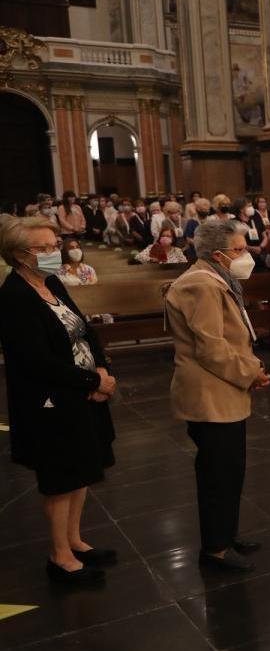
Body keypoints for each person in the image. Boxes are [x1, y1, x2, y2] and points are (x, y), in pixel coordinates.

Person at [0, 217, 118, 583]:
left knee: (80, 470)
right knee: (60, 478)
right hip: (50, 401)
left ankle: (75, 541)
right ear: (20, 255)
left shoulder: (50, 282)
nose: (56, 252)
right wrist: (90, 380)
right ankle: (60, 557)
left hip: (81, 394)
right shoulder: (14, 296)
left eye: (56, 244)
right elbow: (36, 360)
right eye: (45, 248)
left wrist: (101, 370)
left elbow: (82, 329)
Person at [165, 220, 270, 571]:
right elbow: (210, 347)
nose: (247, 255)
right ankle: (214, 550)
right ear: (217, 254)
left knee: (231, 469)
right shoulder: (201, 284)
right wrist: (250, 372)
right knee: (217, 474)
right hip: (210, 392)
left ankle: (226, 533)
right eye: (239, 250)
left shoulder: (218, 278)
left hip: (224, 390)